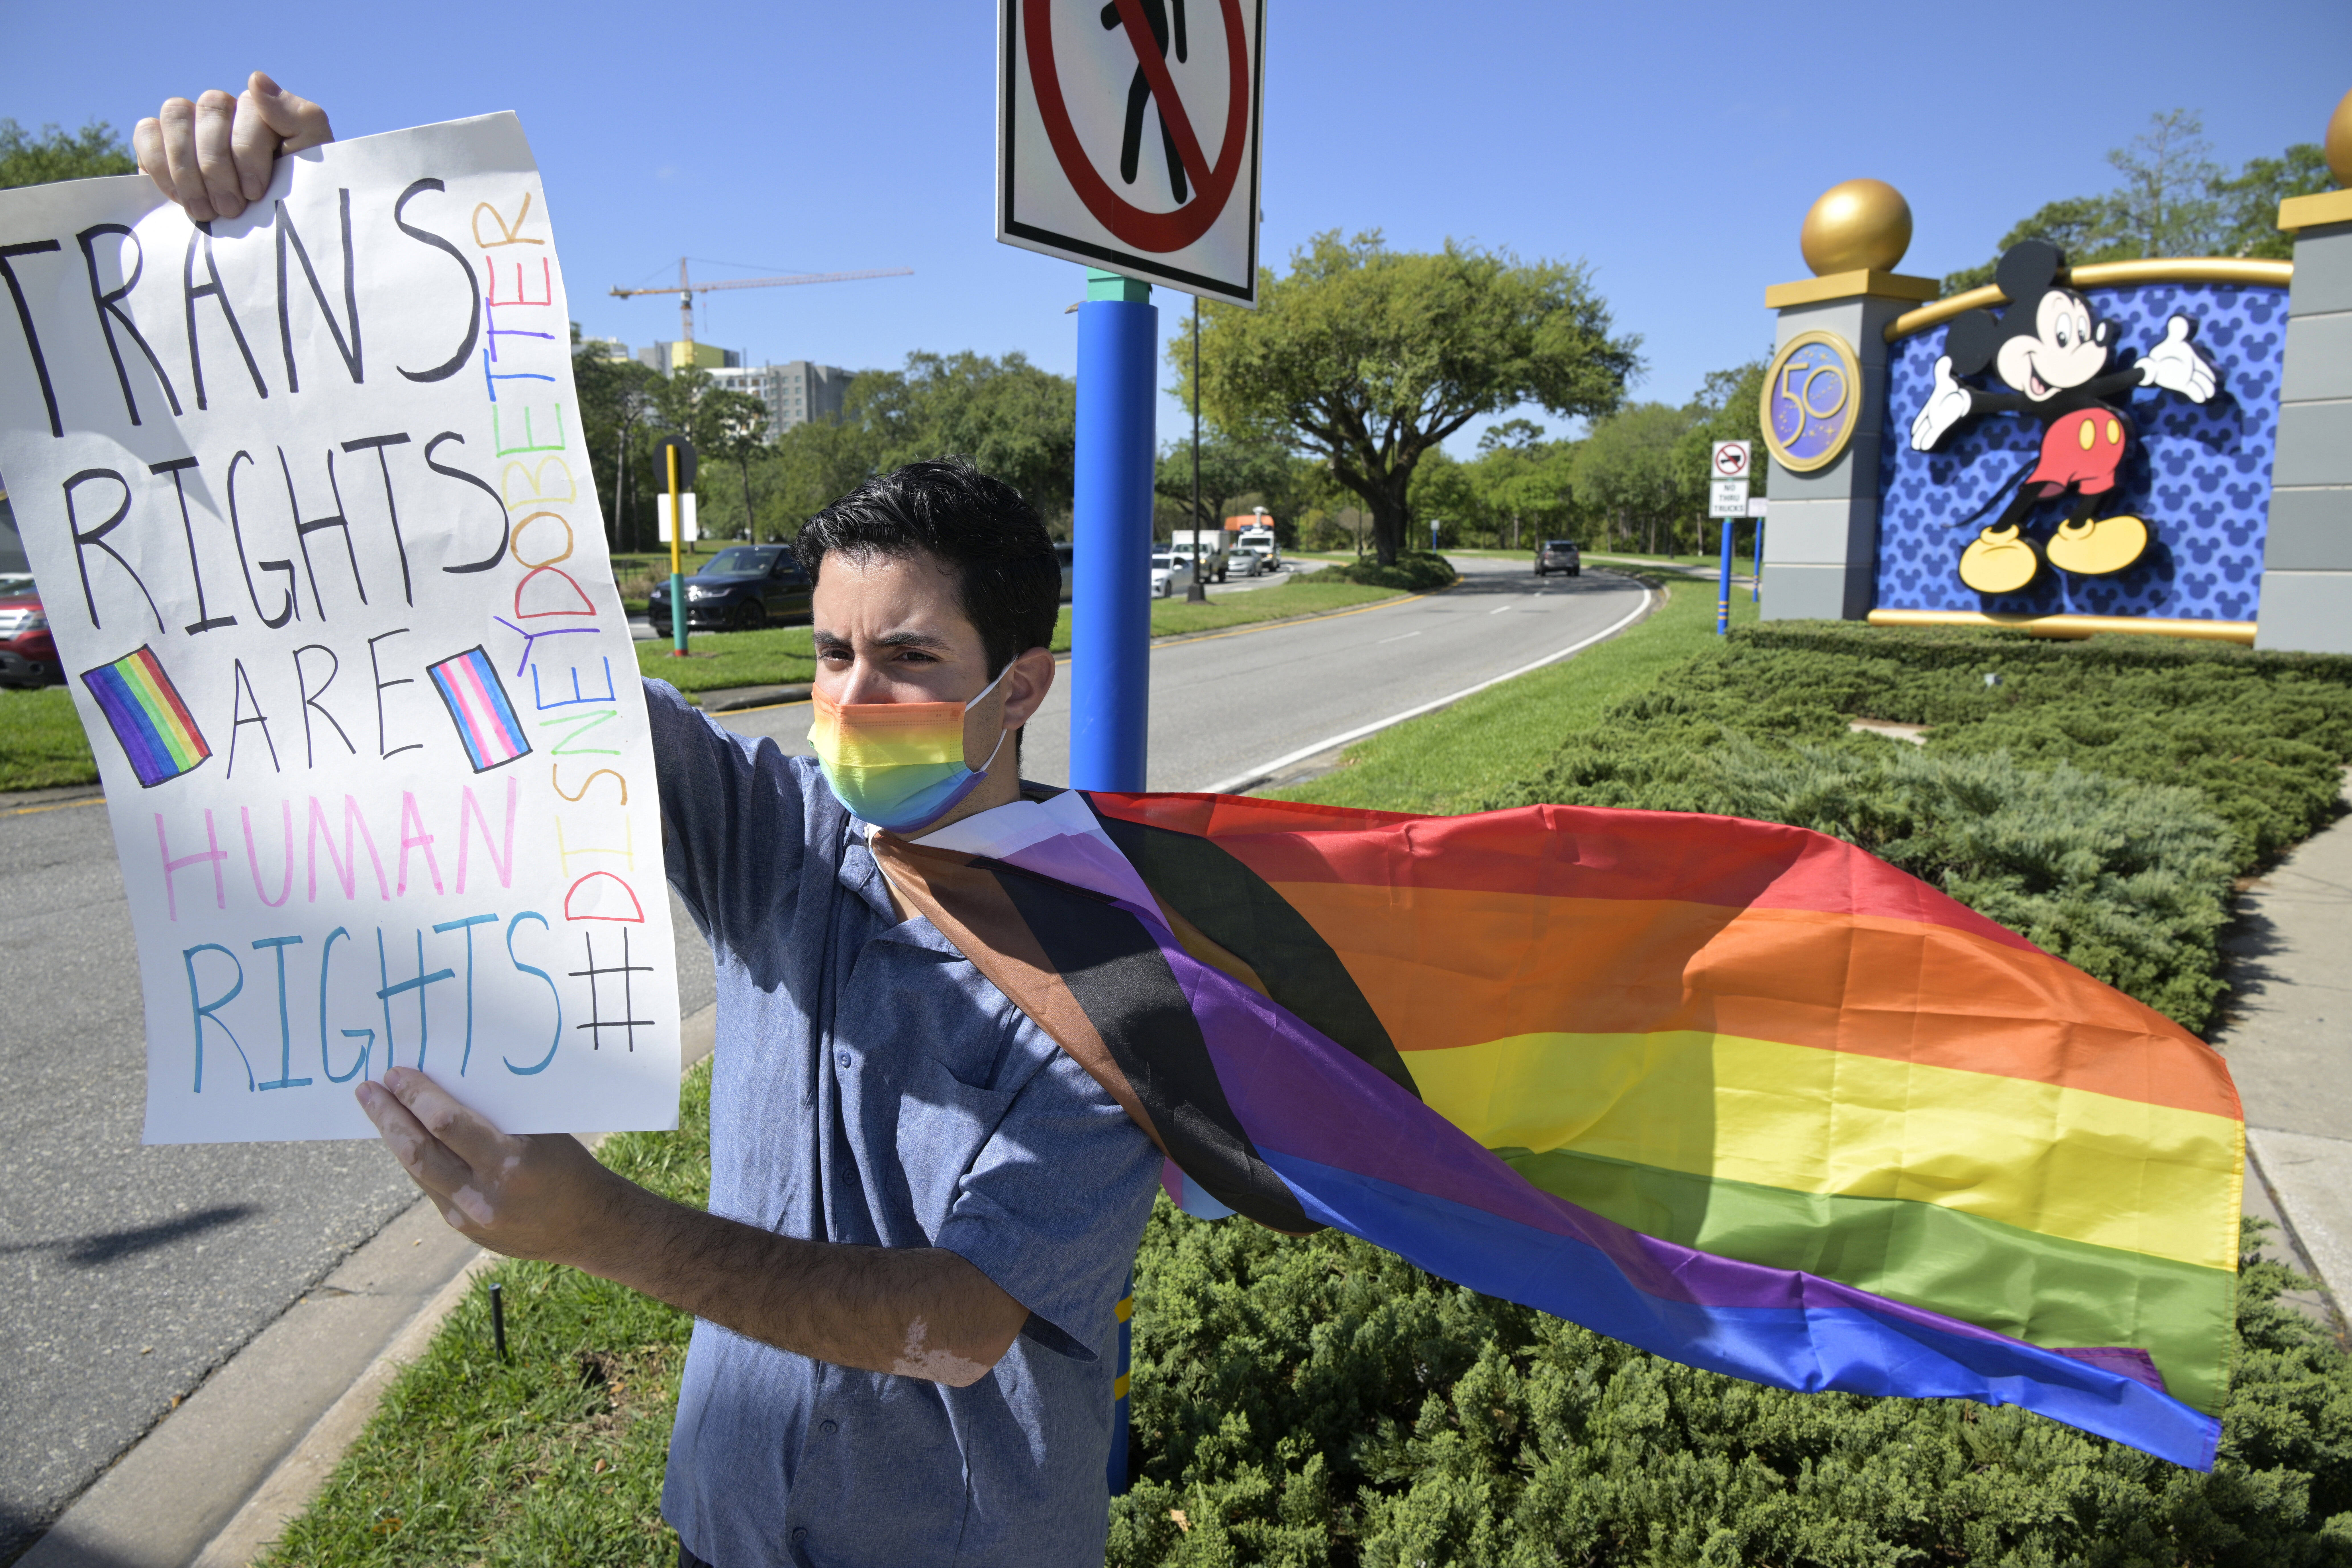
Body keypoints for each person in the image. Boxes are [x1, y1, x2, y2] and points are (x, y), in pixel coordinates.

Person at [137, 84, 1162, 1568]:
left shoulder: (1117, 964)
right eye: (829, 653)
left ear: (1020, 688)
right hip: (724, 1527)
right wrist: (309, 267)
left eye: (908, 660)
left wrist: (601, 1225)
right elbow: (510, 627)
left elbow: (951, 1324)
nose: (850, 695)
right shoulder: (780, 833)